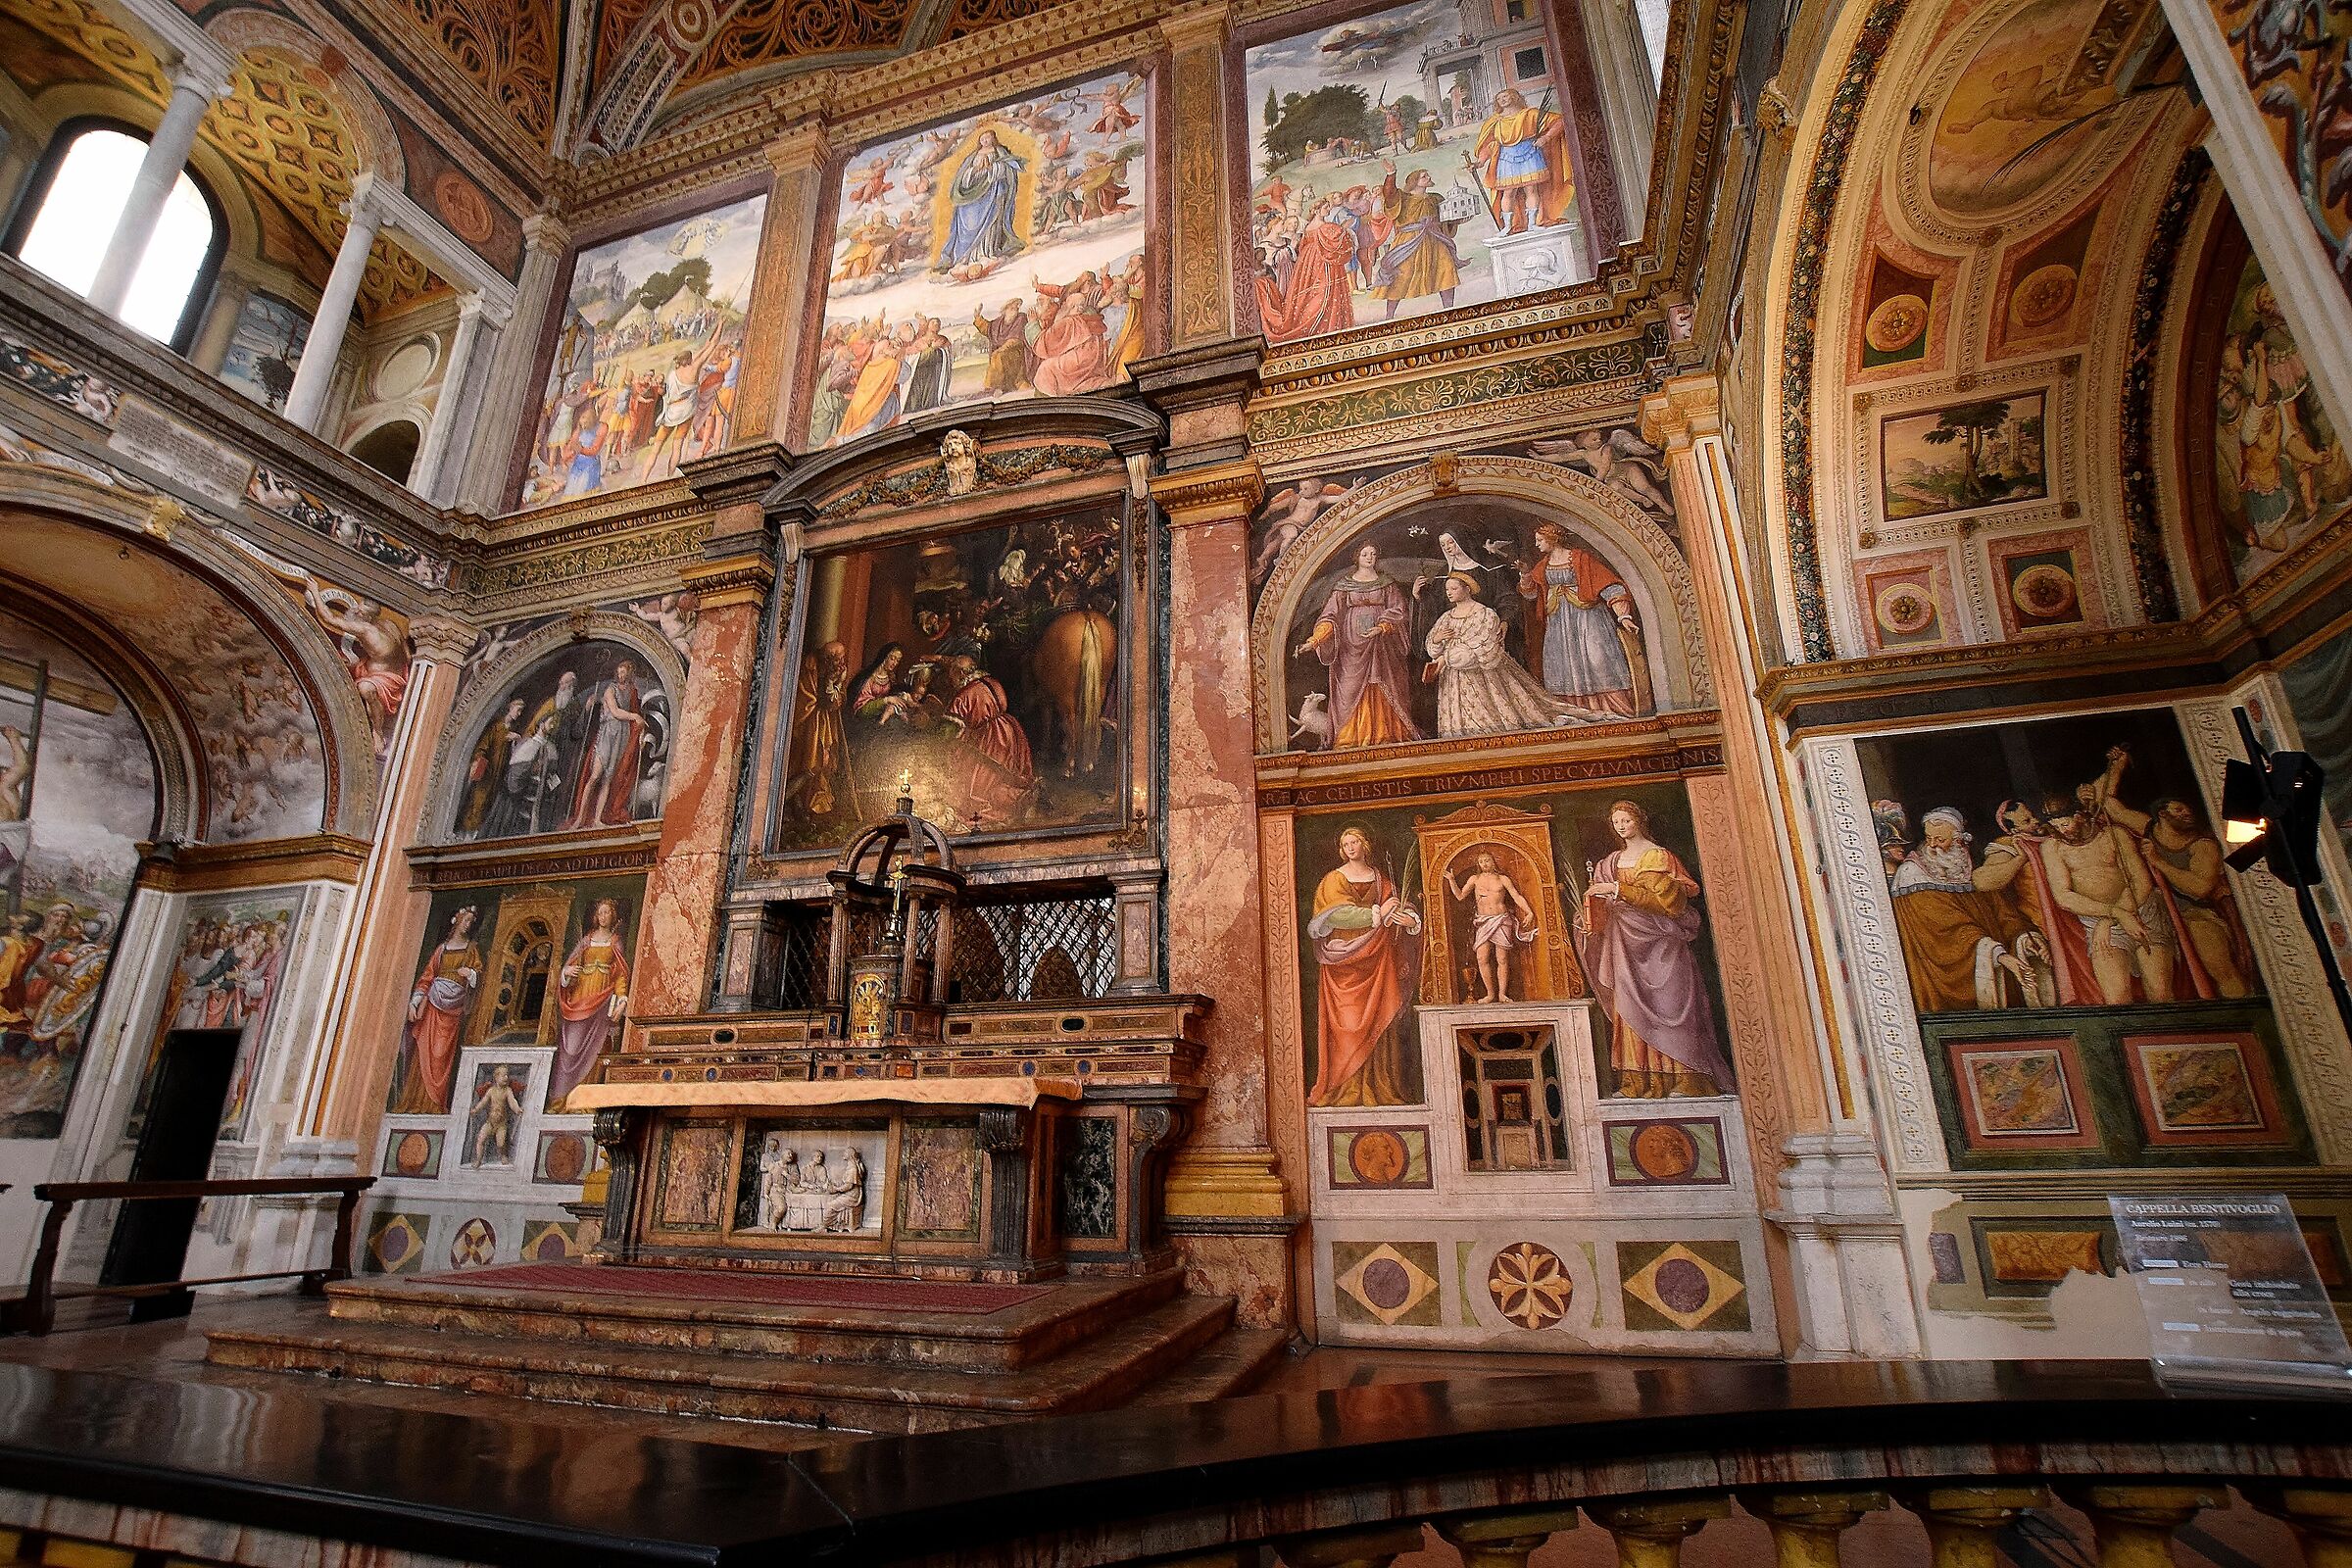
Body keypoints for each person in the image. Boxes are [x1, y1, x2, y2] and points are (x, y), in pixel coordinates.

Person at [1575, 801, 1733, 1097]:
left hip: (1663, 944)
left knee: (1672, 1005)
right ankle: (1638, 1082)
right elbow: (1598, 906)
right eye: (1616, 821)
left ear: (1639, 821)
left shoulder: (1658, 856)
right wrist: (1588, 917)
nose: (1621, 826)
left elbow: (1667, 904)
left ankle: (1687, 1079)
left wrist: (1616, 889)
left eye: (1626, 820)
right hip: (1623, 946)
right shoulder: (1609, 863)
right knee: (1630, 1008)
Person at [1886, 807, 2051, 1011]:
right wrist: (2000, 956)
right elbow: (1947, 931)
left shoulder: (1969, 867)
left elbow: (2003, 914)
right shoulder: (1913, 874)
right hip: (1942, 988)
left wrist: (2027, 940)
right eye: (1929, 838)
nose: (1932, 846)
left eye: (1940, 839)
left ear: (1959, 840)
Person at [1305, 825, 1422, 1106]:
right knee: (1346, 1026)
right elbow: (1337, 915)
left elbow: (1401, 906)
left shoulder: (1381, 880)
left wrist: (1410, 920)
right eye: (1345, 844)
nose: (1350, 848)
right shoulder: (1334, 880)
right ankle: (1343, 1090)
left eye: (1354, 842)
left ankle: (1381, 1086)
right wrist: (1379, 913)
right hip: (1345, 962)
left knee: (1381, 1020)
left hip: (1379, 960)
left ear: (1365, 844)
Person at [1298, 541, 1420, 748]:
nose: (1370, 557)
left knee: (1383, 683)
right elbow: (1330, 617)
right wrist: (1315, 640)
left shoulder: (1387, 584)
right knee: (1350, 688)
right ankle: (1350, 738)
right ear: (1357, 557)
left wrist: (1382, 627)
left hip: (1382, 645)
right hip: (1350, 647)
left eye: (1373, 554)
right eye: (1365, 554)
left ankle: (1387, 734)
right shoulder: (1343, 586)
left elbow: (1400, 611)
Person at [1516, 522, 1646, 716]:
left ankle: (1615, 710)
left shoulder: (1580, 559)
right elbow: (1530, 594)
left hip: (1589, 619)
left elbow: (1609, 586)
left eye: (1540, 540)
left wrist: (1623, 615)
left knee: (1599, 660)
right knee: (1561, 666)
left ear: (1552, 539)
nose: (1537, 545)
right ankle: (1574, 712)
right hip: (1559, 623)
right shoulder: (1543, 565)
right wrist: (1526, 574)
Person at [1422, 573, 1578, 736]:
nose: (1449, 592)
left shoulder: (1485, 614)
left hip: (1480, 678)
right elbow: (1432, 648)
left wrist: (1445, 658)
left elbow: (1483, 648)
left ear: (1467, 589)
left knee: (1485, 718)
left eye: (1454, 588)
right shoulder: (1446, 617)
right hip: (1452, 681)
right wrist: (1437, 639)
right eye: (1447, 589)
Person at [2141, 797, 2256, 1000]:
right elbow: (2111, 806)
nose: (2186, 813)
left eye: (2187, 809)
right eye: (2178, 809)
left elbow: (2199, 888)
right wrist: (2117, 764)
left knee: (2220, 968)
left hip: (2195, 912)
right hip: (2159, 913)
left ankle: (2240, 1011)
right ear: (2162, 814)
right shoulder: (2150, 829)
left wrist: (2158, 861)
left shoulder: (2202, 846)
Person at [397, 907, 480, 1114]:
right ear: (457, 920)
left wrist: (470, 973)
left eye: (471, 921)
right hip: (433, 1005)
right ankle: (416, 1100)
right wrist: (414, 1002)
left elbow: (479, 975)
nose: (468, 924)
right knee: (424, 1053)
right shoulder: (442, 950)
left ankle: (435, 1102)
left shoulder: (471, 949)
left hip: (453, 1009)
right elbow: (428, 976)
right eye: (466, 920)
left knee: (441, 1056)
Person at [550, 898, 630, 1104]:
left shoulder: (615, 941)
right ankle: (561, 1099)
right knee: (571, 1046)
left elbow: (620, 974)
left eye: (607, 913)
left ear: (613, 916)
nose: (603, 917)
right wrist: (566, 972)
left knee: (595, 1047)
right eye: (600, 913)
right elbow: (570, 965)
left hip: (602, 998)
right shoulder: (586, 940)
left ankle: (584, 1101)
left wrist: (622, 999)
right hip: (581, 995)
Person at [942, 655, 1035, 825]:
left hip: (989, 738)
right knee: (1005, 773)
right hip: (1009, 730)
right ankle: (1018, 796)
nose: (951, 679)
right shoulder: (992, 682)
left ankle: (1013, 800)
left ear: (961, 673)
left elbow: (952, 728)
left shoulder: (966, 694)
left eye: (953, 674)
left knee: (982, 784)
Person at [1473, 87, 1574, 234]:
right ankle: (1508, 226)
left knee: (1531, 190)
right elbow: (1490, 145)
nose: (1502, 99)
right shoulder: (1495, 121)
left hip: (1530, 153)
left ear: (1514, 97)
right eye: (1499, 98)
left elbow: (1559, 121)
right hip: (1506, 157)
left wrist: (1546, 138)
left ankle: (1532, 223)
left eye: (1505, 96)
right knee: (1508, 192)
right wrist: (1480, 162)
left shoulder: (1530, 114)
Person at [563, 661, 651, 830]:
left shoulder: (632, 691)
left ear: (630, 674)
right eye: (619, 671)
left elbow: (636, 713)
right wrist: (634, 716)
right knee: (595, 775)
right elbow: (616, 711)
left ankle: (597, 819)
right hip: (607, 733)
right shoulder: (610, 690)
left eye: (624, 672)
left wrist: (639, 731)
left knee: (608, 779)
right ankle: (580, 819)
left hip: (622, 734)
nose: (621, 675)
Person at [1255, 199, 1357, 341]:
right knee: (1324, 293)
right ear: (1317, 211)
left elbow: (1303, 246)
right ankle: (1323, 323)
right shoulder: (1326, 227)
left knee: (1313, 294)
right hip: (1323, 262)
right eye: (1326, 207)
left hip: (1307, 263)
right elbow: (1337, 242)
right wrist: (1344, 229)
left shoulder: (1308, 227)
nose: (1328, 209)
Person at [1373, 163, 1461, 318]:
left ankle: (1449, 309)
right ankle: (1389, 316)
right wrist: (1391, 173)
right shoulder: (1403, 198)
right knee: (1401, 275)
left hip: (1434, 239)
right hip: (1409, 241)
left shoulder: (1435, 198)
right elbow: (1389, 194)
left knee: (1446, 269)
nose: (1428, 177)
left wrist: (1457, 220)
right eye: (1424, 176)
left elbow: (1447, 218)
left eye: (1428, 175)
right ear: (1414, 181)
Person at [1447, 850, 1537, 1004]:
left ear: (1493, 861)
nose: (1484, 864)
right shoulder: (1474, 879)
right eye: (1481, 861)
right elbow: (1460, 896)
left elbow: (1516, 896)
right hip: (1483, 921)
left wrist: (1529, 912)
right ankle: (1490, 994)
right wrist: (1451, 880)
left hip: (1501, 919)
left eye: (1487, 860)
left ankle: (1502, 994)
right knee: (1482, 957)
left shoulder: (1503, 879)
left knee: (1502, 958)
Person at [937, 129, 1026, 276]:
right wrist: (976, 170)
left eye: (988, 137)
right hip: (972, 196)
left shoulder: (1000, 152)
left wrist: (992, 168)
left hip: (992, 192)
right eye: (982, 138)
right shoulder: (972, 156)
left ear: (993, 138)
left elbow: (1008, 170)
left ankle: (987, 252)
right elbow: (963, 177)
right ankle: (966, 258)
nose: (985, 140)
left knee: (991, 222)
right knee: (967, 223)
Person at [785, 643, 851, 819]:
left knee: (820, 764)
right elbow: (821, 700)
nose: (842, 663)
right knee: (811, 765)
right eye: (839, 659)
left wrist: (838, 684)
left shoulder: (832, 673)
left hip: (824, 723)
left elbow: (836, 701)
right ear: (829, 659)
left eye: (843, 658)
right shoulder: (812, 671)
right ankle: (786, 800)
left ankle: (799, 803)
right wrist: (835, 683)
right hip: (810, 725)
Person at [457, 698, 523, 836]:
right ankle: (466, 833)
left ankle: (476, 834)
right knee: (478, 801)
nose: (519, 714)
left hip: (498, 774)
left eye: (521, 711)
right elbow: (482, 747)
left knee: (489, 803)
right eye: (518, 710)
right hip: (487, 771)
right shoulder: (496, 727)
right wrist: (478, 762)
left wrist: (515, 741)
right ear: (510, 708)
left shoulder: (511, 730)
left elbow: (511, 755)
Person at [467, 1064, 524, 1166]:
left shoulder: (507, 1090)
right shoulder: (491, 1091)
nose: (506, 1078)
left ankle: (502, 1155)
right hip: (490, 1123)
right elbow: (483, 1102)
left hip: (501, 1124)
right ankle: (478, 1160)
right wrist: (475, 1110)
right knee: (480, 1140)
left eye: (507, 1075)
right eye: (503, 1075)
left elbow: (512, 1102)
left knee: (501, 1143)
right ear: (496, 1077)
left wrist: (517, 1109)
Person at [975, 299, 1032, 392]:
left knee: (998, 356)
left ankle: (994, 387)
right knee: (998, 356)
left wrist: (1001, 349)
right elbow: (988, 328)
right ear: (1005, 310)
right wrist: (977, 317)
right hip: (1002, 354)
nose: (1015, 311)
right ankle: (994, 388)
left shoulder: (1021, 318)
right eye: (1012, 308)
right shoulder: (998, 322)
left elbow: (1015, 340)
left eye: (1017, 308)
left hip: (1016, 354)